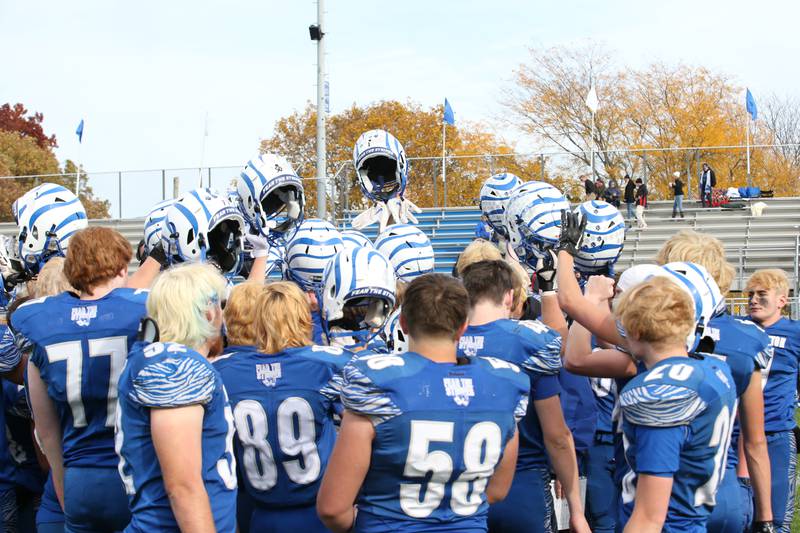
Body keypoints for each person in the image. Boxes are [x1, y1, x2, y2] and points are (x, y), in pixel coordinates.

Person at [316, 273, 529, 532]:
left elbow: (333, 508)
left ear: (403, 323)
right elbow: (497, 490)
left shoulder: (378, 384)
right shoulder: (503, 385)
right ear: (463, 326)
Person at [14, 227, 145, 532]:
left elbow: (46, 433)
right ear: (122, 266)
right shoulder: (142, 311)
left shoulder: (44, 323)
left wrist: (64, 490)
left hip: (79, 478)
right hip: (131, 473)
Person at [655, 230, 775, 532]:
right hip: (723, 487)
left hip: (665, 488)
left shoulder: (655, 333)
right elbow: (756, 440)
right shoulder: (748, 339)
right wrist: (766, 517)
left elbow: (576, 358)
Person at [457, 260, 589, 533]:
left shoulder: (442, 339)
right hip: (521, 484)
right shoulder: (529, 341)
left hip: (456, 488)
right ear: (509, 296)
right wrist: (576, 510)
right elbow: (557, 436)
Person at [215, 281, 350, 533]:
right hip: (320, 514)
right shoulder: (327, 364)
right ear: (302, 317)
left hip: (259, 515)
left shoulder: (223, 370)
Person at [116, 263, 237, 532]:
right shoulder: (176, 365)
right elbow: (183, 488)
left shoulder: (159, 355)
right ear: (208, 311)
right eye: (222, 304)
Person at [616, 277, 737, 532]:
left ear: (636, 330)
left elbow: (650, 516)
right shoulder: (715, 368)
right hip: (695, 520)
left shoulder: (658, 392)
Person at [745, 269, 800, 532]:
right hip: (737, 433)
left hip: (776, 431)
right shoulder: (736, 329)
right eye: (751, 294)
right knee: (738, 513)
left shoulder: (796, 333)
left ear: (782, 299)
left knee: (777, 520)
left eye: (761, 294)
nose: (753, 300)